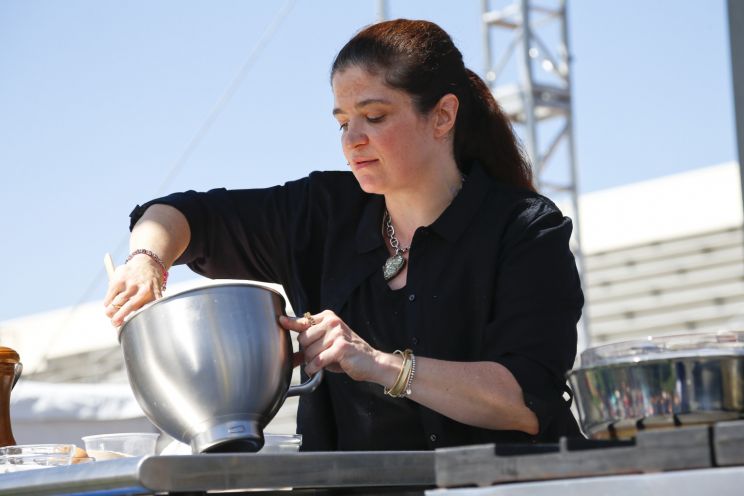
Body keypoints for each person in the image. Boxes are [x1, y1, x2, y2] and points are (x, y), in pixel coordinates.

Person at [104, 19, 584, 451]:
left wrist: (379, 363)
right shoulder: (321, 212)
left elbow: (524, 399)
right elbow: (181, 214)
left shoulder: (525, 228)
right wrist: (147, 258)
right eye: (342, 122)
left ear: (443, 116)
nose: (352, 140)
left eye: (374, 117)